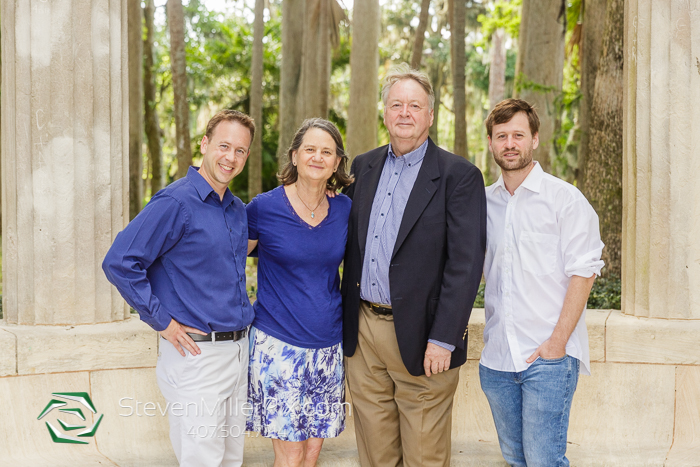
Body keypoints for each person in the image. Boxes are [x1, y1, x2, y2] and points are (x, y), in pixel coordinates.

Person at [341, 63, 487, 466]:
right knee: (375, 452)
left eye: (415, 105)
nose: (405, 113)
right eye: (396, 104)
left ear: (430, 115)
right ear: (385, 112)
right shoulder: (362, 167)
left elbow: (466, 263)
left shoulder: (460, 176)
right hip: (363, 333)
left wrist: (444, 337)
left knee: (424, 455)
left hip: (425, 337)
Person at [102, 110, 255, 466]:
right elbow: (120, 262)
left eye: (240, 151)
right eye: (223, 146)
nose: (230, 158)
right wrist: (163, 322)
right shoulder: (176, 202)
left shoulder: (234, 209)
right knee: (203, 461)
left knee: (231, 459)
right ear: (204, 144)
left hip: (237, 352)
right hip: (197, 358)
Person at [480, 98, 605, 467]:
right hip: (498, 360)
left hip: (548, 359)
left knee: (544, 460)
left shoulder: (565, 199)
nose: (510, 143)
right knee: (516, 460)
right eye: (501, 136)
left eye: (518, 134)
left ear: (535, 139)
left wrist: (556, 344)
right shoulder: (482, 203)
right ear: (490, 143)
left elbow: (585, 272)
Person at [245, 118, 353, 467]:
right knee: (289, 456)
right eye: (310, 149)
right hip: (278, 347)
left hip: (328, 348)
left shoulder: (345, 209)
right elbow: (225, 262)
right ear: (294, 156)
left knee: (311, 454)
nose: (317, 157)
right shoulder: (263, 208)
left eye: (327, 151)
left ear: (337, 162)